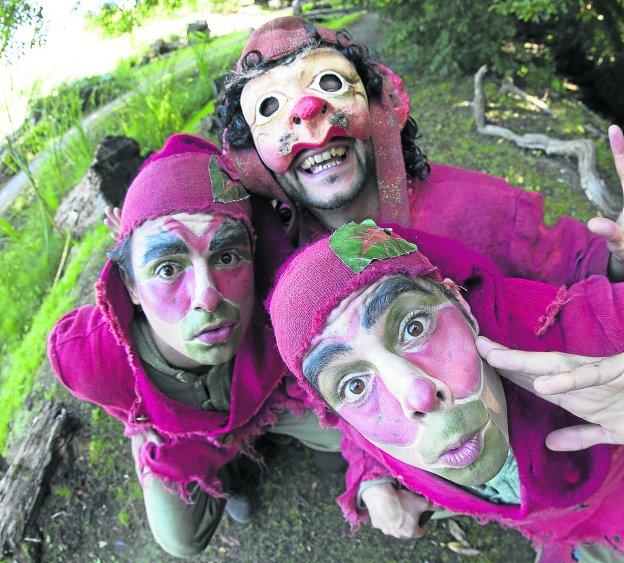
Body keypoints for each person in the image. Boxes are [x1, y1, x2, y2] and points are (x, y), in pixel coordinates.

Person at [47, 133, 340, 558]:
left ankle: (258, 438)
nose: (207, 297)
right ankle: (211, 464)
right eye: (168, 268)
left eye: (225, 258)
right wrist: (142, 421)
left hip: (265, 400)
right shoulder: (88, 358)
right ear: (129, 284)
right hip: (181, 434)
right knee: (180, 538)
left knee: (344, 446)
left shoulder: (278, 298)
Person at [267, 220, 624, 560]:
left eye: (414, 327)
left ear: (461, 305)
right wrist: (370, 482)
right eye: (355, 385)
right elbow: (356, 440)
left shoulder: (590, 343)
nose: (419, 395)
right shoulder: (361, 427)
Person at [217, 16, 624, 289]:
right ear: (252, 156)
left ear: (379, 108)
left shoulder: (486, 208)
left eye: (329, 83)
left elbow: (591, 271)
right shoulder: (268, 255)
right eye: (269, 108)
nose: (307, 113)